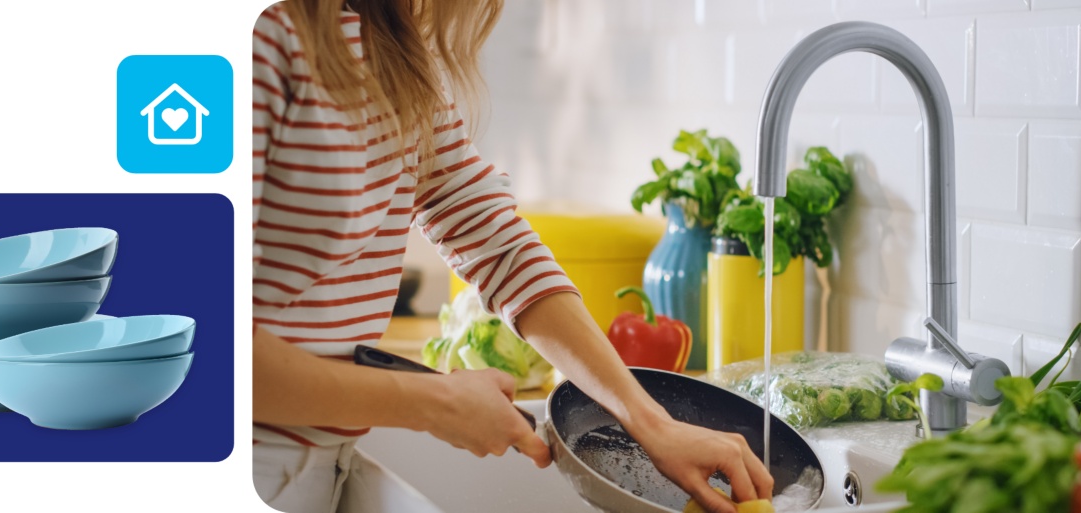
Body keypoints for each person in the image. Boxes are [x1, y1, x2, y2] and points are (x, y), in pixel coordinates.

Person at [251, 2, 775, 512]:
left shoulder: (388, 43)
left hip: (318, 468)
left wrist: (650, 422)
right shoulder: (259, 38)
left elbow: (495, 240)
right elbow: (198, 354)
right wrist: (431, 403)